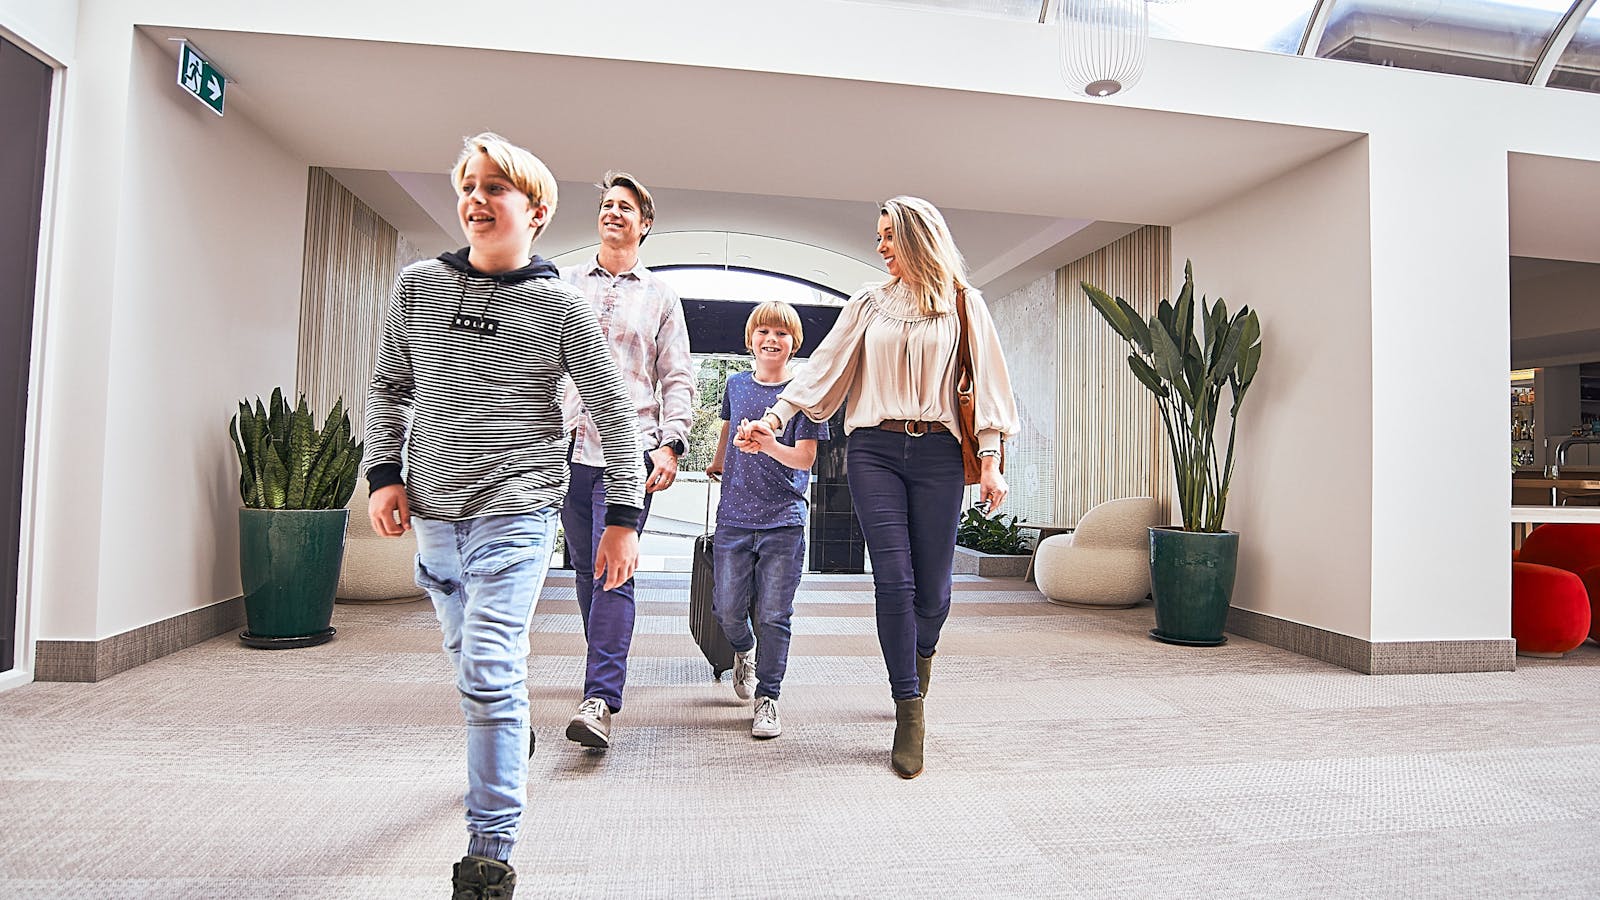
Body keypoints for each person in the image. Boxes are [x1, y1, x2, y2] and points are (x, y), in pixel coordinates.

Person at [365, 133, 644, 898]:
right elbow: (390, 386)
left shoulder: (561, 306)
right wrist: (383, 473)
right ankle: (508, 733)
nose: (476, 200)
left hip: (517, 510)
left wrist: (624, 516)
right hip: (434, 512)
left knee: (489, 665)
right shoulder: (419, 287)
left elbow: (614, 412)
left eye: (495, 187)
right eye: (469, 186)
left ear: (537, 209)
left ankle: (488, 856)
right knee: (471, 664)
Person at [739, 196, 1018, 779]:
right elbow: (824, 368)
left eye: (889, 235)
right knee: (893, 578)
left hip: (940, 453)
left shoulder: (963, 304)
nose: (880, 245)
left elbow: (988, 385)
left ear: (918, 236)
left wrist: (990, 461)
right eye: (879, 235)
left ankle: (921, 655)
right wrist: (776, 416)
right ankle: (908, 706)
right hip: (874, 449)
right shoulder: (869, 303)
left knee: (933, 593)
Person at [559, 171, 694, 750]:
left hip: (628, 450)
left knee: (613, 570)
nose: (613, 212)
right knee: (584, 568)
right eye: (607, 204)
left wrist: (671, 443)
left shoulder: (661, 297)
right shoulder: (564, 283)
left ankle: (599, 699)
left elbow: (677, 377)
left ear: (645, 223)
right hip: (563, 450)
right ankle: (602, 661)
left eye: (625, 207)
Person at [706, 302, 830, 739]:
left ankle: (768, 699)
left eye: (781, 333)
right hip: (734, 516)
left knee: (775, 614)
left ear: (794, 343)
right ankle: (744, 650)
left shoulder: (804, 394)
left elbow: (806, 459)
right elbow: (728, 428)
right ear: (750, 339)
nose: (771, 339)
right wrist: (719, 461)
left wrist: (769, 445)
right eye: (763, 331)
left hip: (783, 519)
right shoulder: (736, 384)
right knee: (726, 608)